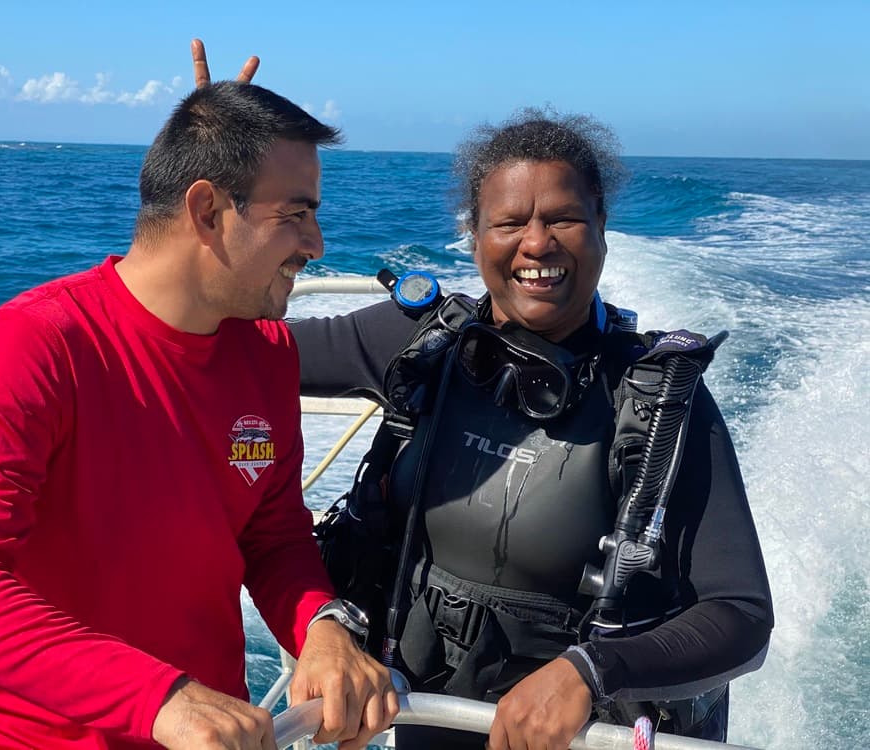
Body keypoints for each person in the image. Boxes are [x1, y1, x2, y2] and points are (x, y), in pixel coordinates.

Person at [189, 42, 773, 750]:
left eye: (563, 218)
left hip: (587, 734)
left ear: (601, 229)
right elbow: (223, 340)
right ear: (474, 238)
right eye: (509, 222)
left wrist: (591, 671)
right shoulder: (419, 342)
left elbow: (740, 615)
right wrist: (214, 170)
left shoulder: (659, 402)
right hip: (423, 717)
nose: (538, 243)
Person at [0, 80, 398, 750]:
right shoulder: (38, 343)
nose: (317, 242)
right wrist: (160, 698)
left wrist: (324, 627)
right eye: (296, 214)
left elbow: (273, 536)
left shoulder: (268, 353)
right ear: (207, 210)